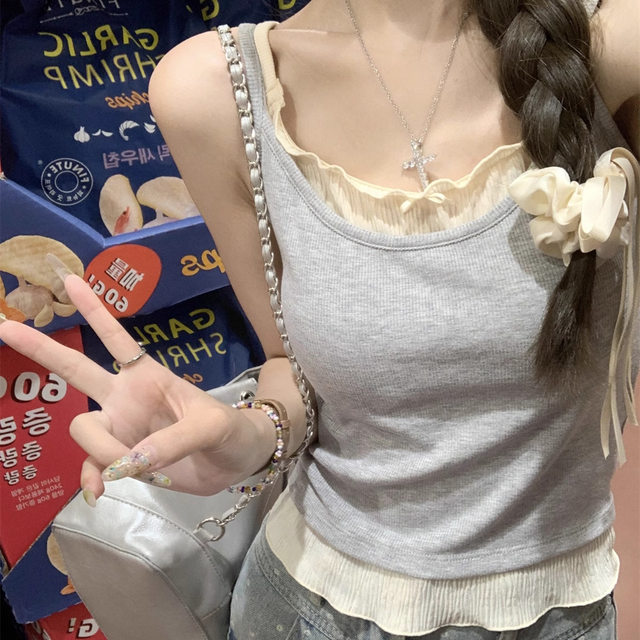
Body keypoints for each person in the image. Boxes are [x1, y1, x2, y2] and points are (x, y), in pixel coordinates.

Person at [1, 0, 639, 638]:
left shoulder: (605, 42)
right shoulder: (218, 88)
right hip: (312, 610)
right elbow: (289, 364)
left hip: (562, 612)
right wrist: (251, 435)